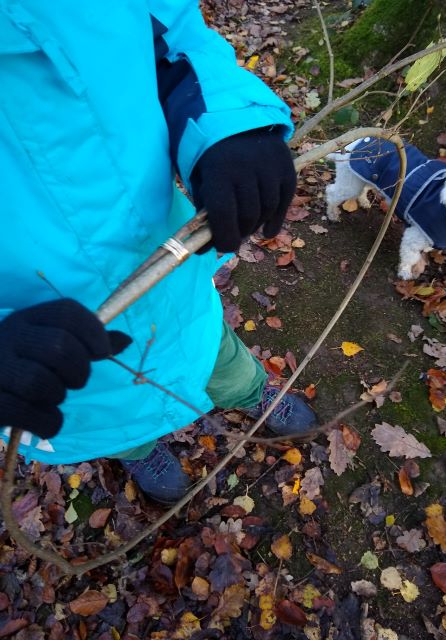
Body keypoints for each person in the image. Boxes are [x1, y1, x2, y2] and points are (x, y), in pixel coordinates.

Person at [0, 1, 316, 504]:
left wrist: (228, 123)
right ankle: (138, 447)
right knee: (110, 410)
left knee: (212, 348)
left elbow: (168, 32)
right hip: (44, 346)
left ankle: (252, 391)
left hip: (168, 271)